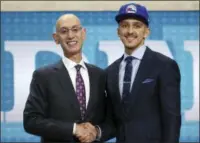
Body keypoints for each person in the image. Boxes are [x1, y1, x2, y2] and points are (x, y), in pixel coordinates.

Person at [23, 14, 115, 143]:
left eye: (75, 29)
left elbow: (112, 121)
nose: (71, 36)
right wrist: (73, 129)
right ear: (56, 38)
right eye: (64, 31)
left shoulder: (100, 75)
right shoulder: (43, 76)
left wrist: (97, 132)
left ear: (83, 33)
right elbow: (31, 121)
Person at [105, 3, 181, 143]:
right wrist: (93, 133)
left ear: (146, 32)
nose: (130, 31)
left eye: (137, 26)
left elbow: (172, 118)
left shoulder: (164, 66)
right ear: (118, 31)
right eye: (125, 25)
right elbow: (113, 121)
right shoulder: (110, 72)